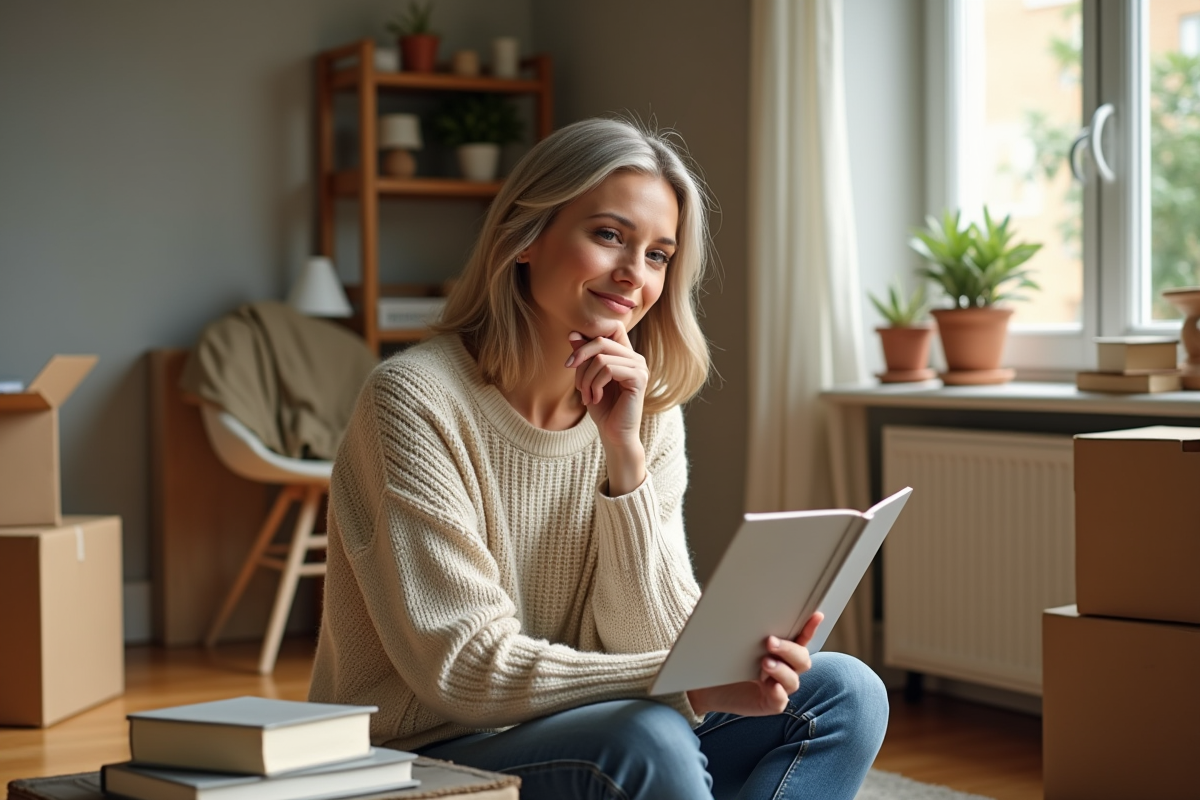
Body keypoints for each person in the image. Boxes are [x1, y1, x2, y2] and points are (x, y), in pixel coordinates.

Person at [309, 117, 888, 799]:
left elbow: (654, 638)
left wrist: (625, 459)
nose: (633, 276)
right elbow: (463, 667)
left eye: (658, 255)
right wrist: (688, 682)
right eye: (610, 235)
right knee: (651, 737)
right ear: (525, 237)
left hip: (590, 720)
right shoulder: (414, 400)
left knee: (845, 692)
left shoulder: (645, 411)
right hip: (425, 750)